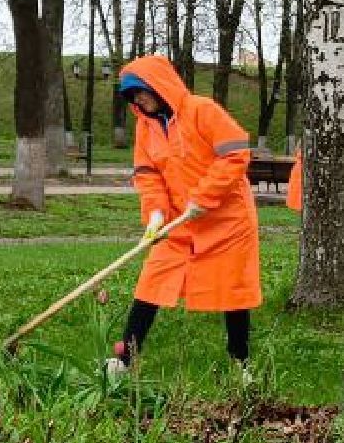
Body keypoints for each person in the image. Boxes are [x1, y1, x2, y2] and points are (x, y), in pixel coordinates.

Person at [112, 54, 261, 382]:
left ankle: (240, 363)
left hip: (227, 219)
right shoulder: (145, 128)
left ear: (159, 85)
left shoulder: (202, 110)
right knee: (151, 281)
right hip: (179, 222)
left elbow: (236, 153)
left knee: (231, 289)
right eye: (132, 96)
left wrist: (204, 197)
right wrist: (155, 214)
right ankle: (125, 362)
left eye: (141, 91)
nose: (138, 100)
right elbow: (148, 173)